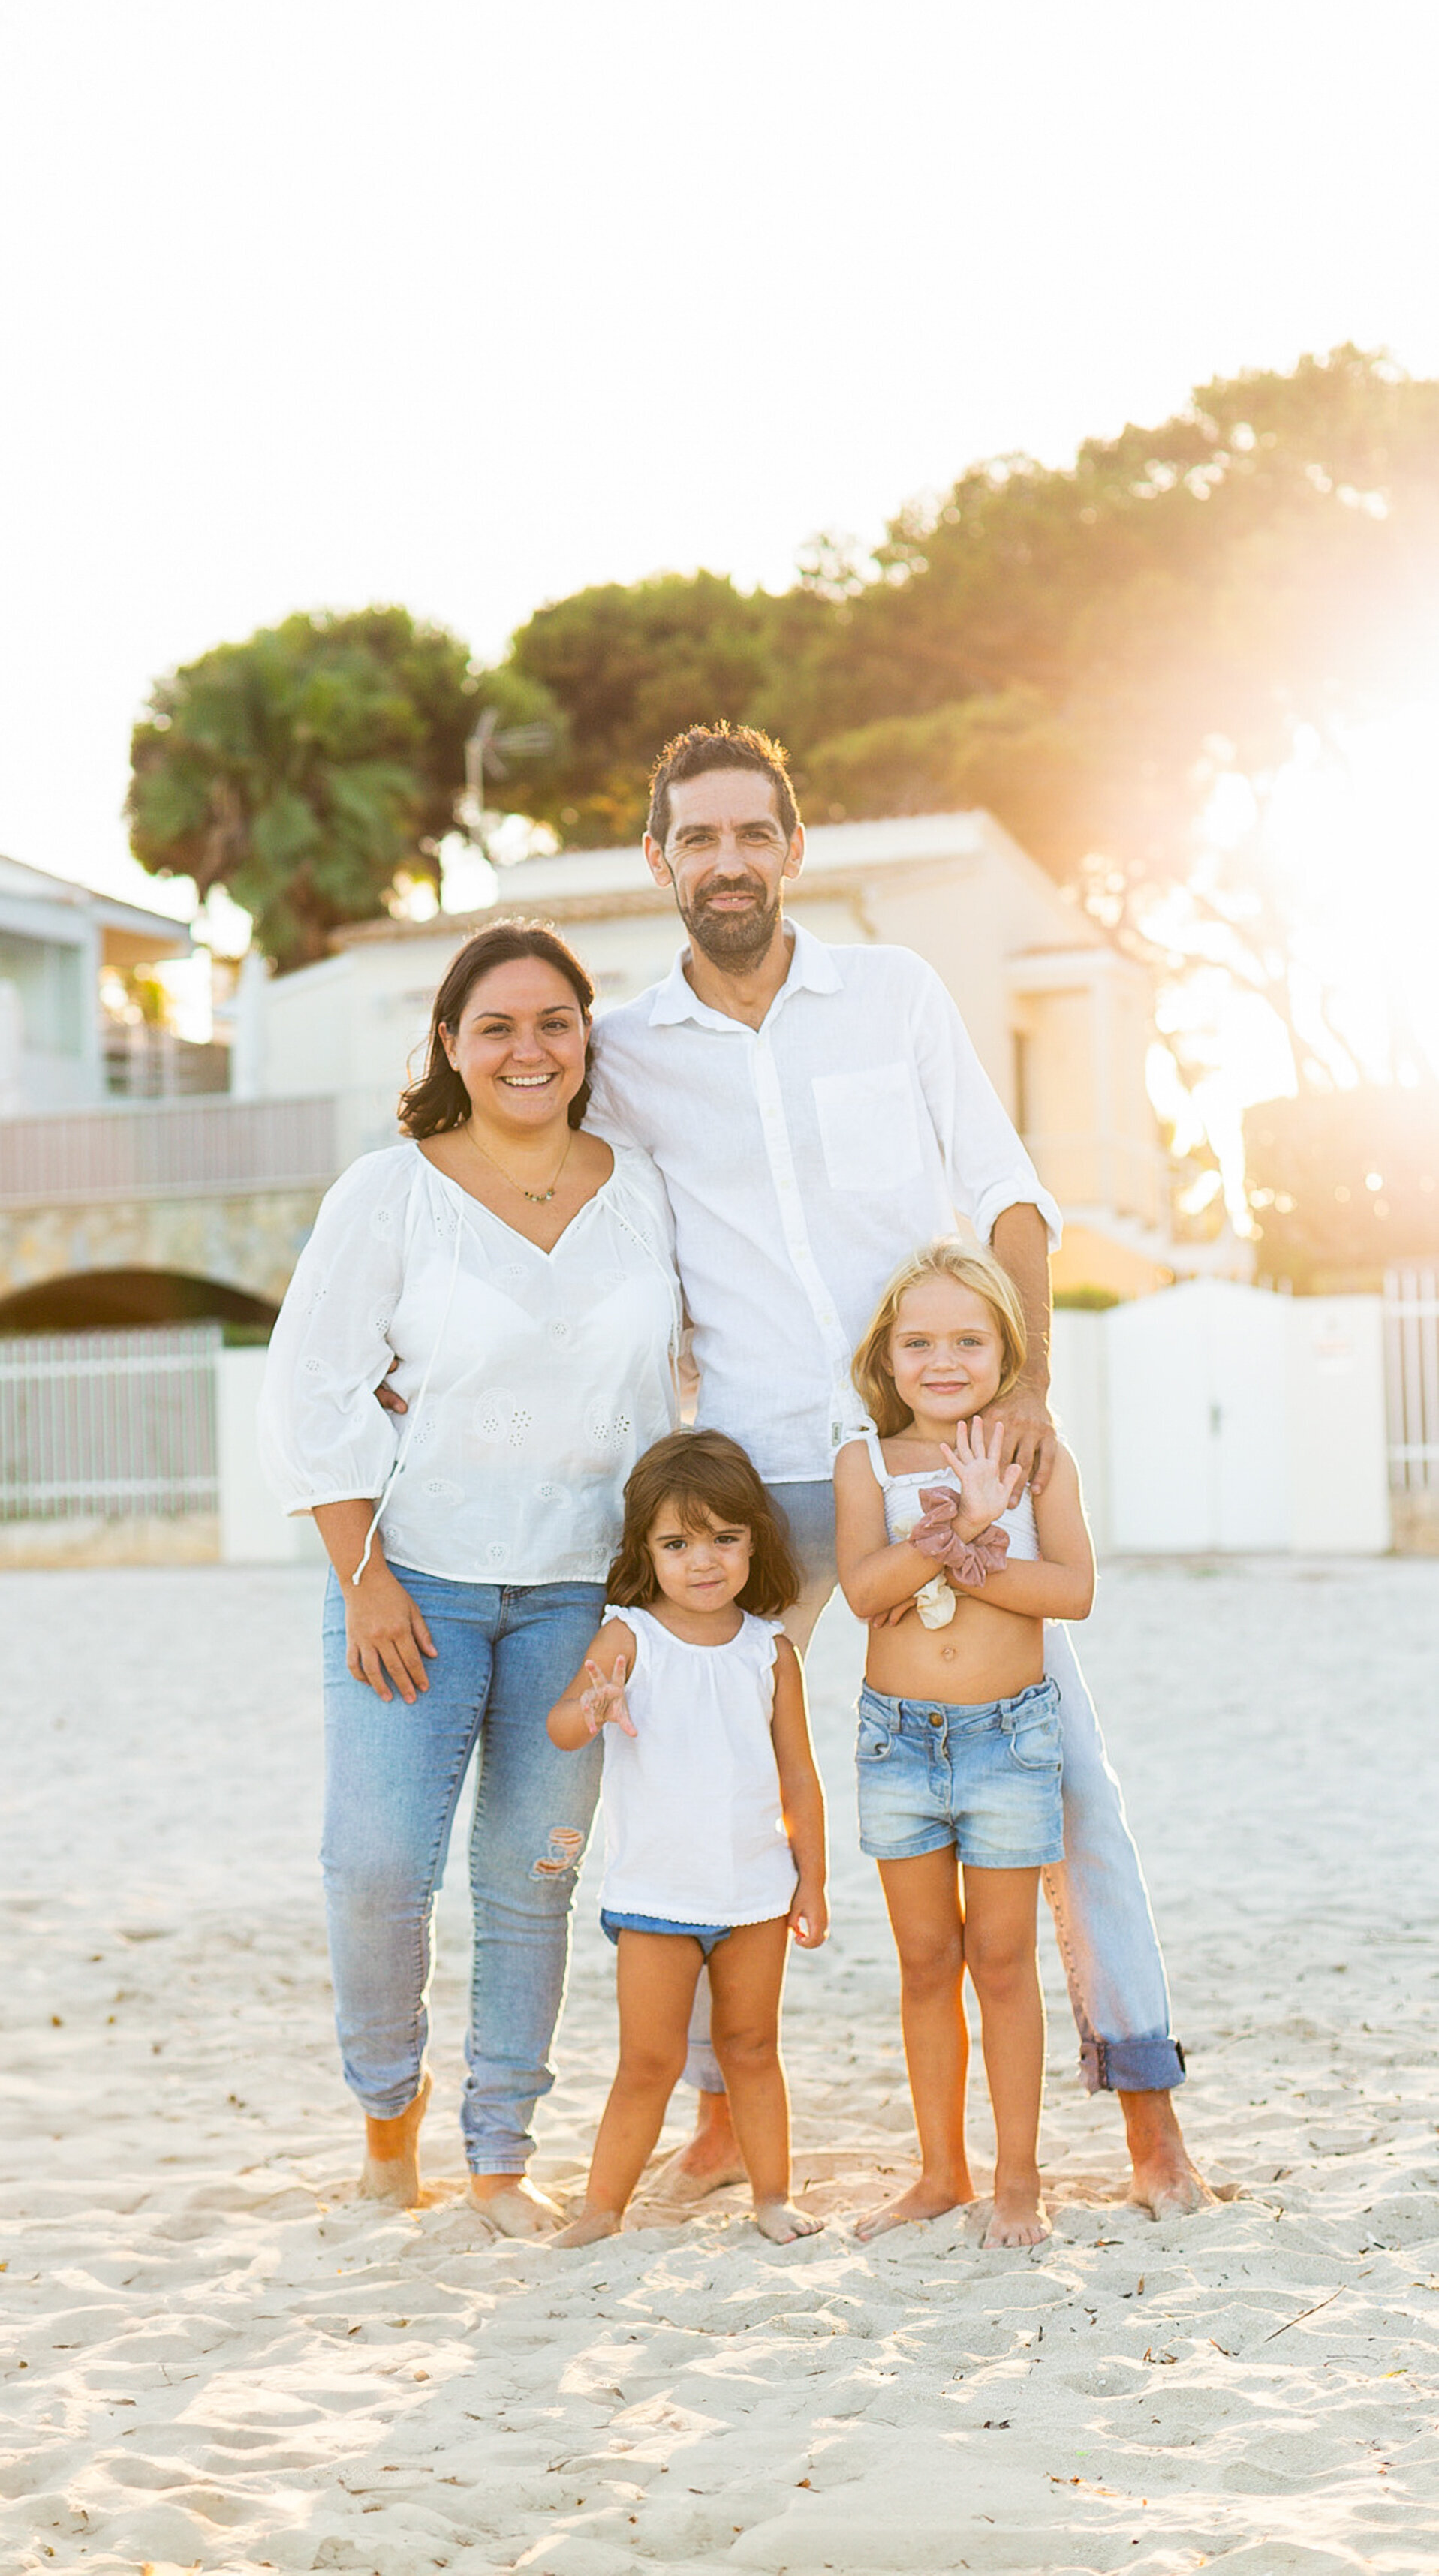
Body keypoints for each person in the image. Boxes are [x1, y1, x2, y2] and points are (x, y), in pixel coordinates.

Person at [587, 721, 1209, 2219]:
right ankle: (725, 2117)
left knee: (1067, 1786)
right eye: (697, 837)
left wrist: (1023, 1402)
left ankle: (1145, 2120)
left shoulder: (895, 996)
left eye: (752, 833)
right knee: (709, 1774)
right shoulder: (623, 1052)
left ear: (792, 849)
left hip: (933, 1461)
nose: (725, 860)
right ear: (658, 859)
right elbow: (583, 1234)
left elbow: (1005, 1194)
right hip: (751, 1474)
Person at [260, 921, 681, 2236]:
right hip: (414, 1584)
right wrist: (361, 1576)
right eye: (495, 1026)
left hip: (579, 1592)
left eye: (553, 1021)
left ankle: (498, 2158)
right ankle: (389, 2122)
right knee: (378, 1864)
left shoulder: (643, 1188)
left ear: (584, 1038)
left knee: (533, 1873)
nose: (527, 1048)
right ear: (449, 1043)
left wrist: (655, 1597)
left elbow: (678, 1383)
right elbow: (310, 1386)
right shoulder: (388, 1193)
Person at [837, 1242, 1097, 2248]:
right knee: (922, 1961)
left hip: (1007, 1740)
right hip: (897, 1743)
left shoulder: (1036, 1459)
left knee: (1000, 1960)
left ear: (1005, 1351)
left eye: (968, 1340)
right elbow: (865, 1593)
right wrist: (950, 1536)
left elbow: (1072, 1590)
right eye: (919, 1341)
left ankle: (1017, 2181)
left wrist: (974, 1534)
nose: (942, 1360)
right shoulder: (864, 1459)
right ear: (887, 1355)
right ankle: (940, 2171)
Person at [544, 1431, 828, 2247]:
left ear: (753, 1540)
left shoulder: (767, 1649)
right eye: (676, 1542)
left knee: (751, 2045)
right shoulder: (628, 1634)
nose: (701, 1560)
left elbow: (798, 1777)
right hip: (655, 1894)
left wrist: (810, 1878)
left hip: (754, 1893)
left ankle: (771, 2195)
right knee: (647, 2059)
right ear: (646, 1548)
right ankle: (601, 2209)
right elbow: (564, 1726)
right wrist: (592, 1707)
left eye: (723, 1538)